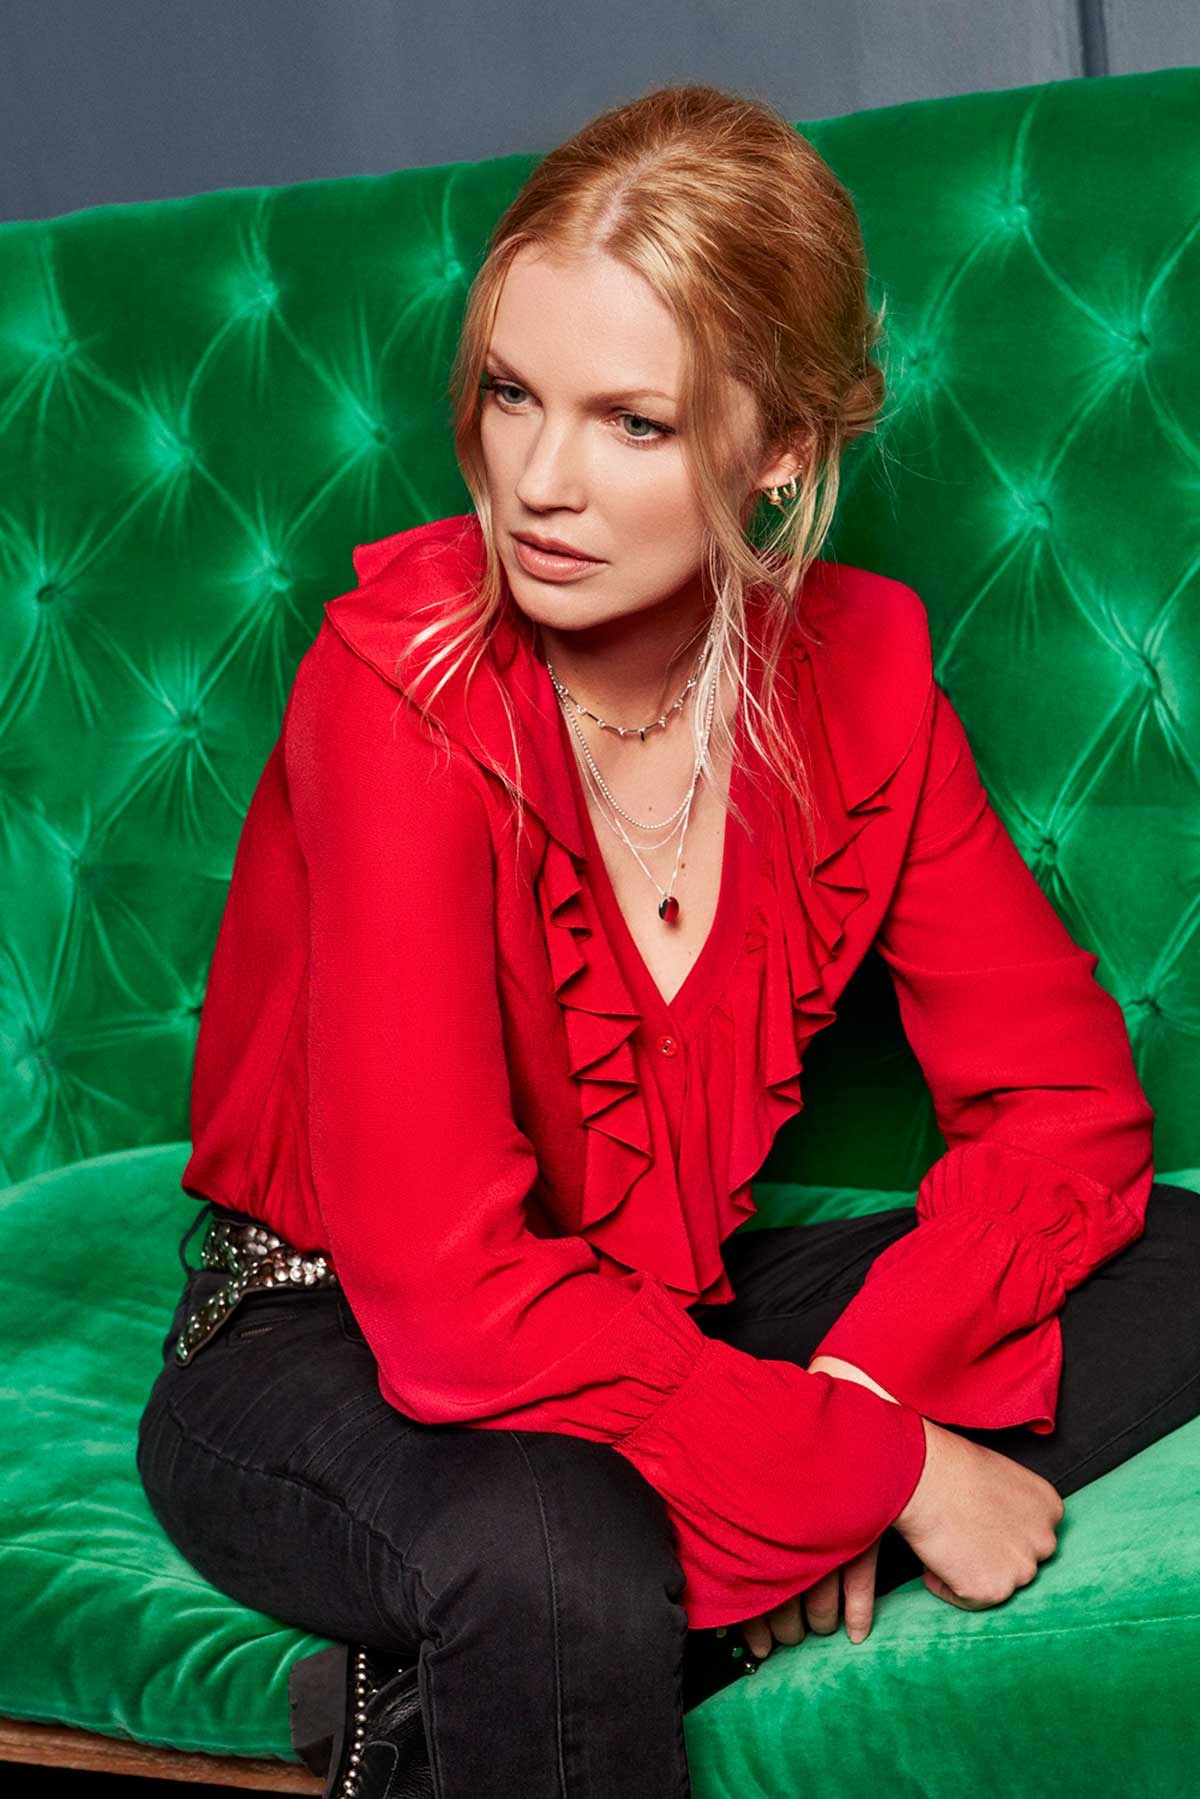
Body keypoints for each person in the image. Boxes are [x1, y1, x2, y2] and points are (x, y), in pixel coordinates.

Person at [136, 82, 1200, 1799]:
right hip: (329, 1339)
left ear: (778, 450)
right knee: (552, 1551)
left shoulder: (862, 675)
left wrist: (859, 1396)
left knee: (1175, 1260)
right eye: (511, 394)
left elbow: (1068, 1115)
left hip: (657, 1310)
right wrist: (886, 1472)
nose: (538, 483)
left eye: (632, 422)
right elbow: (451, 1301)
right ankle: (584, 1620)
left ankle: (449, 1702)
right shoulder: (396, 689)